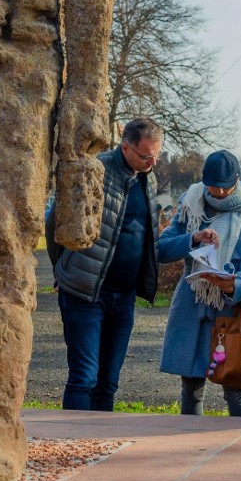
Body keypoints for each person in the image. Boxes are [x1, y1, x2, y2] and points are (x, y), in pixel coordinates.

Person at [46, 117, 162, 411]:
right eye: (146, 156)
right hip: (85, 294)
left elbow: (147, 237)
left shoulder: (149, 179)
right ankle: (72, 446)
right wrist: (64, 269)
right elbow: (56, 222)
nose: (153, 162)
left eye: (157, 155)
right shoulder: (95, 171)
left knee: (108, 383)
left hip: (123, 298)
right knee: (84, 378)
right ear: (126, 148)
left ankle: (98, 444)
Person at [158, 150, 241, 417]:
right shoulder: (191, 202)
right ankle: (190, 443)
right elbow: (162, 249)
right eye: (211, 185)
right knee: (191, 387)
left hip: (228, 306)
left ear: (237, 181)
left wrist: (232, 286)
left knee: (234, 385)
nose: (216, 191)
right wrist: (193, 238)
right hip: (191, 303)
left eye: (223, 187)